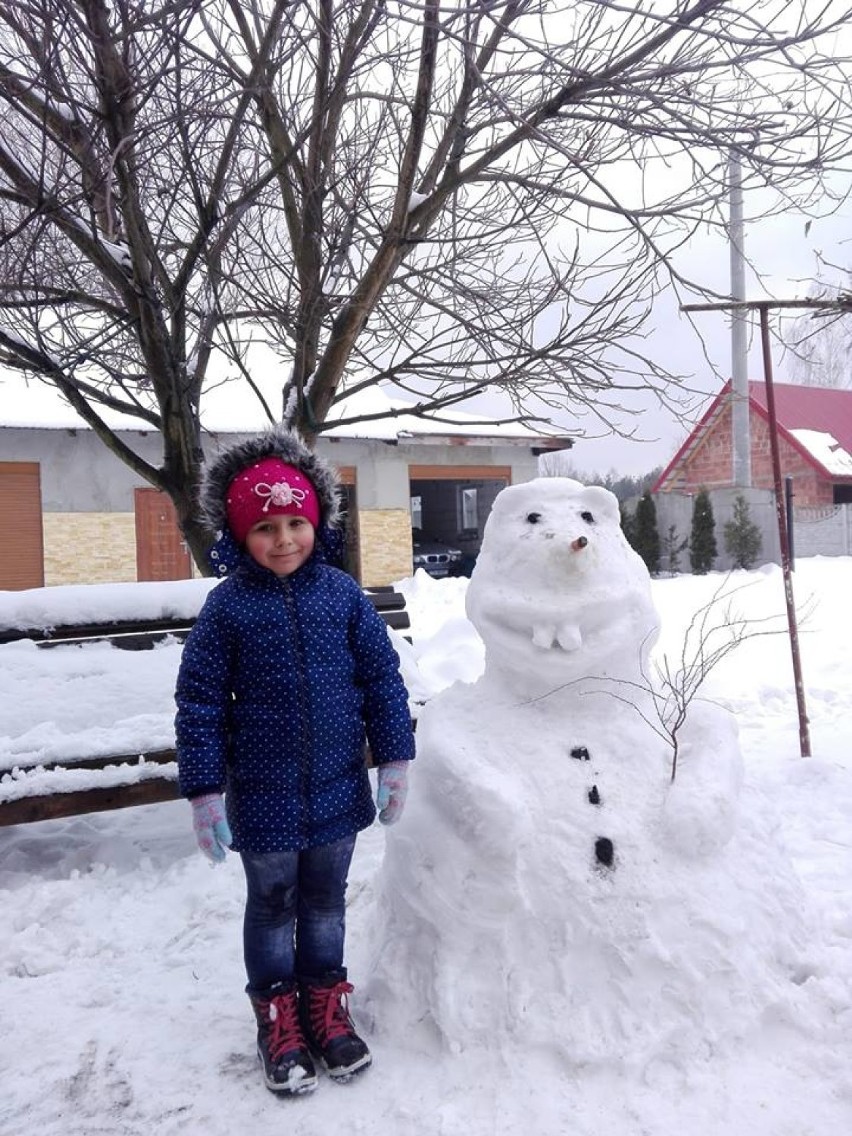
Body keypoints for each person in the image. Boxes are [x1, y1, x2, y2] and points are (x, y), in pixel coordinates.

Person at [175, 429, 415, 1096]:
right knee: (274, 906)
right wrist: (203, 791)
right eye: (265, 527)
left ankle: (324, 1008)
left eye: (295, 522)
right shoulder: (226, 609)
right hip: (262, 793)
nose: (283, 539)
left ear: (317, 522)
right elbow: (198, 703)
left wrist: (394, 756)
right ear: (237, 532)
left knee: (326, 904)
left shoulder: (341, 596)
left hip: (338, 790)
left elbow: (382, 679)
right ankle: (277, 1019)